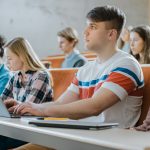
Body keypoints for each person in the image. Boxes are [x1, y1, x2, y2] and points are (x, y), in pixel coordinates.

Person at [12, 6, 144, 150]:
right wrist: (28, 107)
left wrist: (42, 111)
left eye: (92, 27)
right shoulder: (85, 70)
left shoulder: (127, 64)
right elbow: (60, 103)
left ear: (111, 34)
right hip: (78, 137)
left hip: (109, 142)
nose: (85, 32)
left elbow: (94, 106)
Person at [0, 37, 53, 149]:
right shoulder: (15, 77)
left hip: (34, 131)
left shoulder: (41, 76)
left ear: (22, 57)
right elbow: (2, 101)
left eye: (10, 59)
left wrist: (12, 107)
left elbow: (28, 109)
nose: (6, 62)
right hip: (17, 128)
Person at [129, 25, 150, 131]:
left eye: (135, 40)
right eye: (130, 40)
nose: (131, 44)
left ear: (146, 41)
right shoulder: (131, 64)